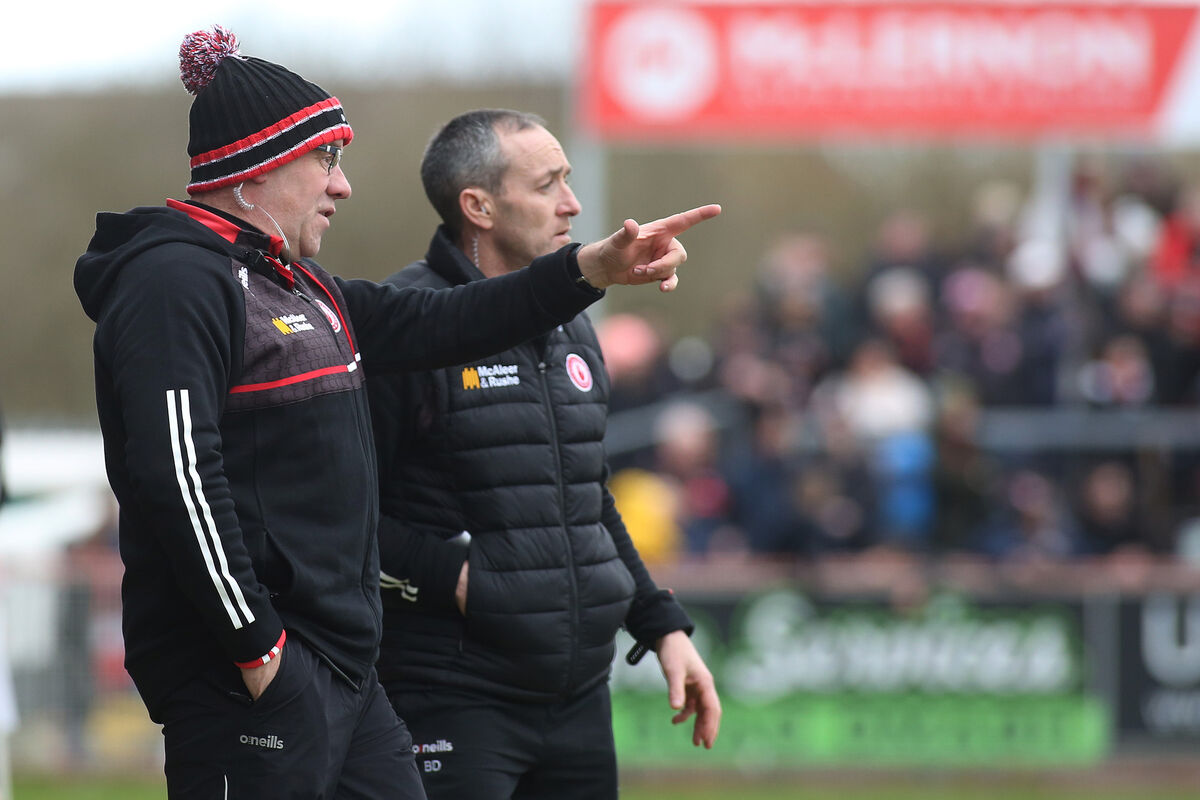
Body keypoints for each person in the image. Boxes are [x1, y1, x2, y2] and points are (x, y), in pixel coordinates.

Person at [72, 29, 718, 800]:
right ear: (259, 166)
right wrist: (257, 649)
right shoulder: (175, 280)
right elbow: (176, 477)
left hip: (346, 671)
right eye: (326, 160)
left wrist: (590, 271)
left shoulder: (304, 287)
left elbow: (444, 322)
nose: (341, 187)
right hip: (259, 674)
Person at [367, 109, 721, 799]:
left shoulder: (574, 326)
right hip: (452, 696)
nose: (574, 202)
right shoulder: (401, 328)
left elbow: (584, 495)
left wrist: (660, 624)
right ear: (480, 206)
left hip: (579, 695)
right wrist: (456, 576)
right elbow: (340, 513)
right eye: (548, 183)